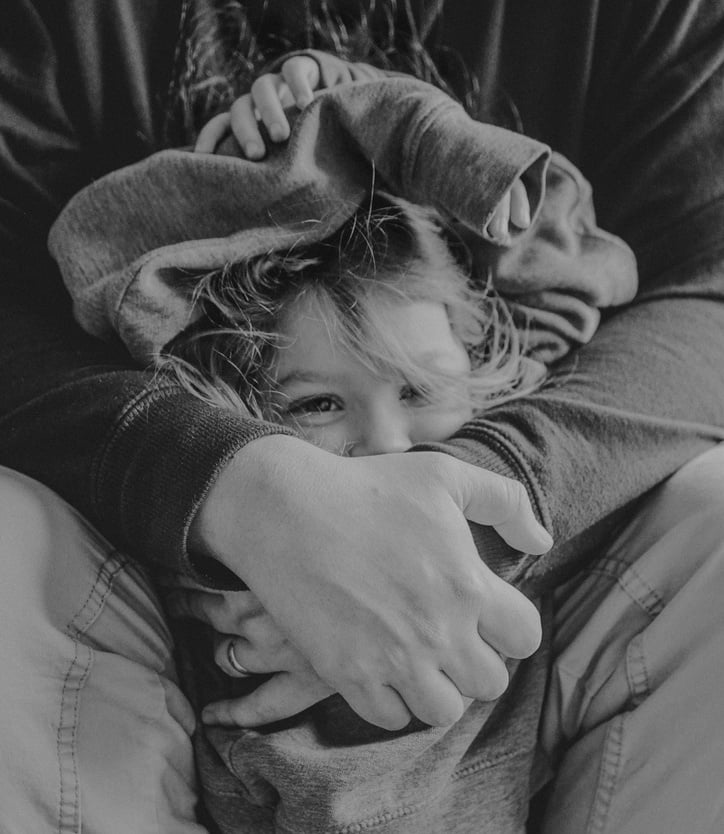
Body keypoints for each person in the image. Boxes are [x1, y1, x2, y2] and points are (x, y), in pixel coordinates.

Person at [2, 1, 724, 832]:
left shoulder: (510, 367)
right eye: (316, 404)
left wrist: (359, 108)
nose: (385, 446)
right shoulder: (207, 485)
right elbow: (105, 272)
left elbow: (598, 256)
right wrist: (246, 490)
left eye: (417, 391)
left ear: (488, 352)